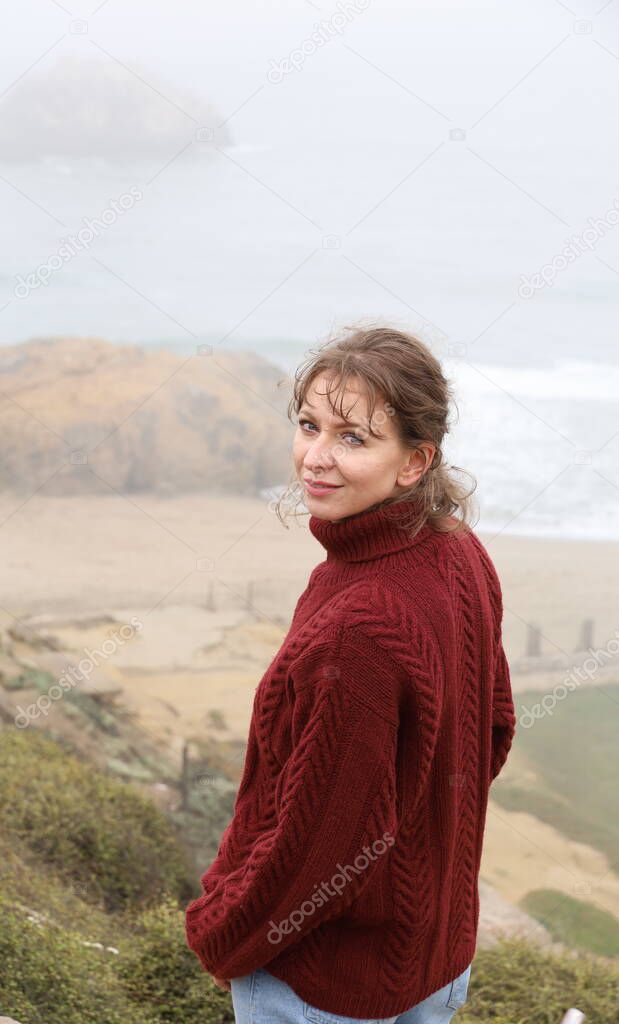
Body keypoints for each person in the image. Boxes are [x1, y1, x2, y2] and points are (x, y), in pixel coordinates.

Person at [185, 324, 517, 1023]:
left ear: (412, 462)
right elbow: (491, 732)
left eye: (353, 438)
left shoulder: (356, 628)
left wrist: (222, 940)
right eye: (309, 425)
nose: (315, 457)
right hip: (436, 958)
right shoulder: (459, 553)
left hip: (321, 987)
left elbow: (318, 843)